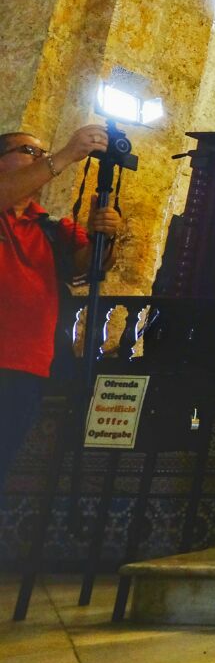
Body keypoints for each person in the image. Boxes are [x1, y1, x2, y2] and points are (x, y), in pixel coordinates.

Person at [0, 125, 120, 492]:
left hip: (26, 367)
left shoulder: (50, 228)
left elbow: (91, 266)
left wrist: (107, 233)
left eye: (42, 151)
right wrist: (66, 154)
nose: (39, 158)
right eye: (28, 151)